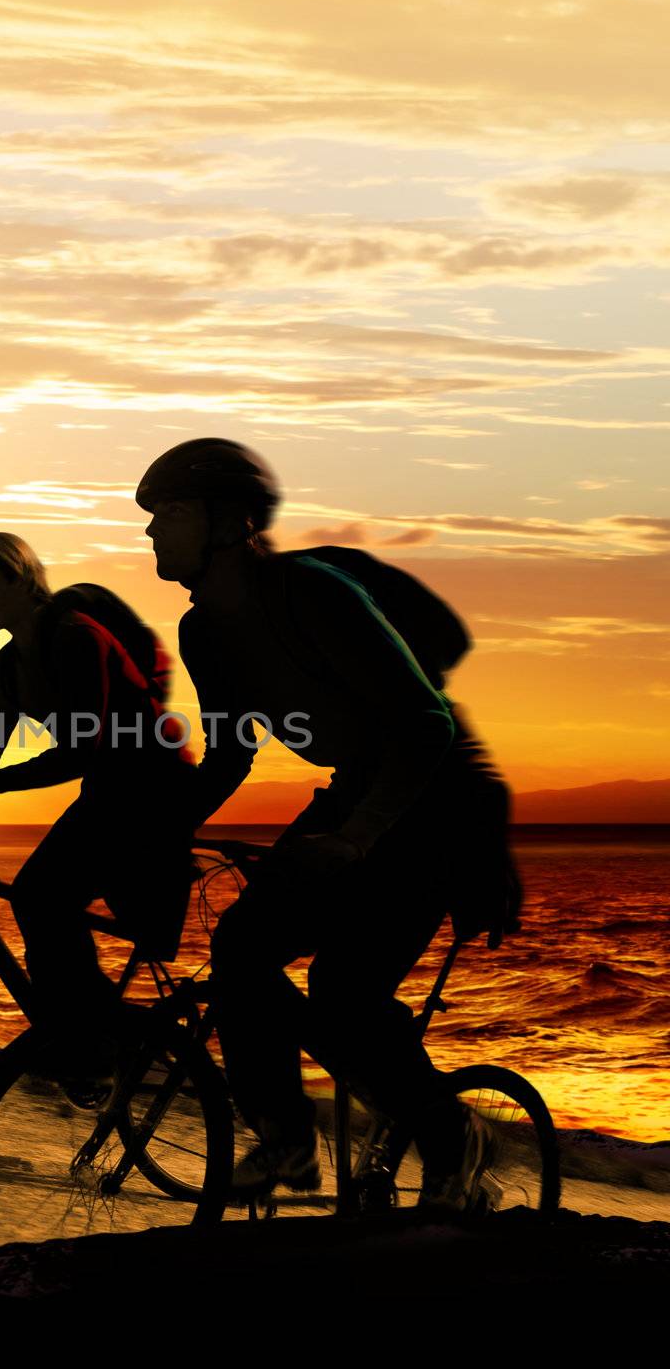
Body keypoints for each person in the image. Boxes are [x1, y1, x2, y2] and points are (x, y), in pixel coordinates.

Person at [134, 437, 521, 1212]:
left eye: (168, 514)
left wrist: (355, 838)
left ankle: (454, 1139)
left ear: (229, 523)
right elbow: (230, 755)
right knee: (241, 945)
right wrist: (158, 832)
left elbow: (424, 724)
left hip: (431, 805)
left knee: (343, 993)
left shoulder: (313, 592)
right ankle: (285, 1136)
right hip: (352, 797)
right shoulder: (203, 630)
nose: (149, 532)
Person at [0, 532, 196, 1092]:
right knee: (45, 901)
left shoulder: (77, 637)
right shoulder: (9, 663)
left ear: (12, 577)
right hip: (111, 790)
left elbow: (82, 747)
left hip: (154, 785)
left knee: (40, 896)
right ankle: (89, 1039)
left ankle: (96, 1041)